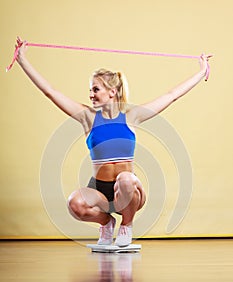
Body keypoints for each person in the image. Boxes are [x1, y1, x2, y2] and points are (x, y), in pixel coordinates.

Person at [15, 37, 211, 247]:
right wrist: (22, 60)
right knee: (75, 203)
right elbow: (50, 92)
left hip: (128, 191)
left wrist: (201, 72)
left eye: (95, 89)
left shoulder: (131, 116)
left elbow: (171, 95)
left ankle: (126, 225)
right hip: (100, 191)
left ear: (112, 91)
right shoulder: (88, 118)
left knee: (125, 179)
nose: (91, 94)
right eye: (90, 90)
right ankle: (106, 222)